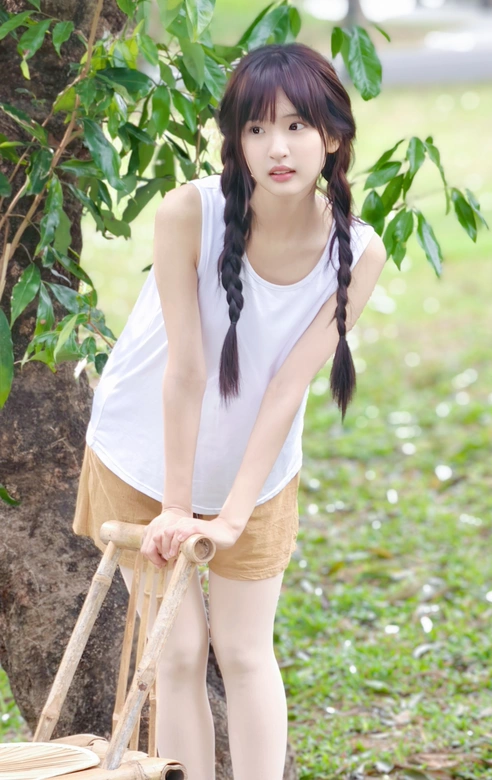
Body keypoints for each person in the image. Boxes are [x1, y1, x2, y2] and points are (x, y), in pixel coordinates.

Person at [72, 41, 387, 780]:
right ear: (235, 140)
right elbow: (185, 372)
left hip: (258, 470)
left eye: (296, 126)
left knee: (245, 652)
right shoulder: (191, 212)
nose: (276, 147)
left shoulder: (359, 252)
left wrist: (234, 517)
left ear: (332, 136)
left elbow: (286, 389)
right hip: (145, 456)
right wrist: (177, 509)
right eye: (255, 128)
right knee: (177, 653)